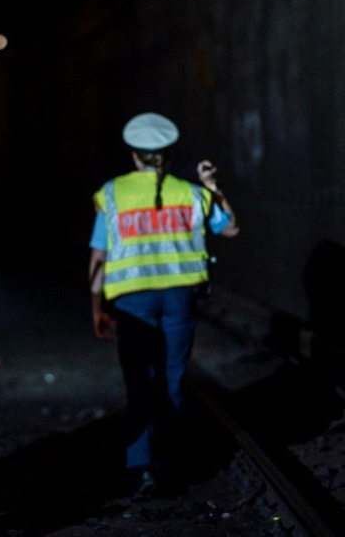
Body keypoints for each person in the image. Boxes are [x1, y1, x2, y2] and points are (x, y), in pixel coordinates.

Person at [88, 112, 239, 500]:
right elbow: (230, 227)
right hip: (179, 298)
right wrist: (211, 184)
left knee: (139, 380)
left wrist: (96, 306)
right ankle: (171, 464)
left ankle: (141, 469)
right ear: (168, 154)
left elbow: (99, 256)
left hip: (133, 300)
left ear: (135, 155)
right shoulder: (191, 194)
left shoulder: (112, 193)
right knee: (171, 381)